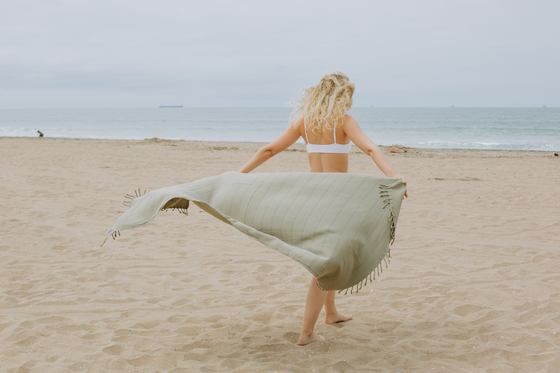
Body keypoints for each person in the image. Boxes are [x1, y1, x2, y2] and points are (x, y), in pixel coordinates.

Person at [237, 72, 407, 345]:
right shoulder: (344, 122)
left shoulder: (303, 123)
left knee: (334, 259)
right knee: (324, 267)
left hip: (312, 200)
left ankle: (331, 313)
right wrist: (393, 175)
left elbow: (269, 150)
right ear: (341, 96)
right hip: (337, 202)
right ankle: (306, 333)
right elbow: (371, 149)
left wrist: (239, 174)